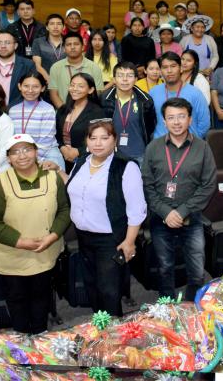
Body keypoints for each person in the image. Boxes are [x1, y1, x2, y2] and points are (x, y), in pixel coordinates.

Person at [0, 133, 71, 333]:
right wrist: (21, 242)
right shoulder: (1, 182)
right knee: (17, 300)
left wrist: (53, 236)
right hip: (13, 257)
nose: (22, 156)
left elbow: (64, 210)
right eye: (15, 152)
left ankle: (40, 337)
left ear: (36, 152)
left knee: (42, 298)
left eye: (27, 149)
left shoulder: (52, 177)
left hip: (45, 253)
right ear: (8, 158)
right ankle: (22, 339)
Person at [66, 121, 145, 317]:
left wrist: (129, 242)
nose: (98, 143)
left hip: (110, 240)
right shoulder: (81, 162)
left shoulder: (125, 167)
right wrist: (57, 171)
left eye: (104, 138)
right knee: (91, 287)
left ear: (114, 140)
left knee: (109, 291)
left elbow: (137, 209)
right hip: (83, 237)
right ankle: (100, 329)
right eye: (93, 138)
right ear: (86, 141)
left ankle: (114, 332)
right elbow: (75, 187)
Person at [141, 97, 217, 301]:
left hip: (192, 217)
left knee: (197, 269)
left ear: (190, 119)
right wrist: (166, 212)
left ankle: (193, 306)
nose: (176, 122)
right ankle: (167, 307)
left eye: (181, 116)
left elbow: (208, 185)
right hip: (160, 217)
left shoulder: (203, 148)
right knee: (164, 268)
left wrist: (182, 212)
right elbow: (147, 185)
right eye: (171, 117)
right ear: (164, 121)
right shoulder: (153, 148)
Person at [102, 62, 156, 161]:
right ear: (114, 79)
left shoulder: (145, 100)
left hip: (139, 154)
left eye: (130, 76)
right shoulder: (104, 99)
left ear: (136, 79)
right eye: (120, 75)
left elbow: (150, 127)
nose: (125, 79)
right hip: (110, 154)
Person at [149, 52, 210, 139]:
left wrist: (192, 141)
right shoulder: (153, 92)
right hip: (160, 144)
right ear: (160, 71)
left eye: (173, 66)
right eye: (165, 67)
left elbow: (204, 123)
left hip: (188, 144)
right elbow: (148, 121)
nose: (169, 71)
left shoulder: (195, 93)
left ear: (181, 69)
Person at [56, 73, 107, 167]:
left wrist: (78, 151)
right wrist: (62, 148)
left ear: (90, 90)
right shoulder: (63, 109)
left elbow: (101, 139)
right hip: (61, 158)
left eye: (80, 86)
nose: (75, 89)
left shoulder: (97, 112)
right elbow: (56, 135)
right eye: (72, 85)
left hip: (86, 160)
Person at [48, 32, 104, 109]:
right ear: (64, 48)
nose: (72, 47)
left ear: (83, 47)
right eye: (68, 44)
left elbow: (98, 93)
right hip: (63, 111)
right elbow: (53, 95)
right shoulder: (56, 67)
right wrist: (64, 112)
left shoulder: (94, 67)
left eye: (76, 44)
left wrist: (84, 112)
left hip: (87, 112)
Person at [31, 14, 68, 86]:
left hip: (66, 81)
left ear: (64, 27)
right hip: (45, 82)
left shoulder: (69, 42)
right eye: (52, 24)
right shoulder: (38, 42)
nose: (55, 27)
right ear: (47, 27)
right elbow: (37, 65)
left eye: (59, 24)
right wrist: (49, 80)